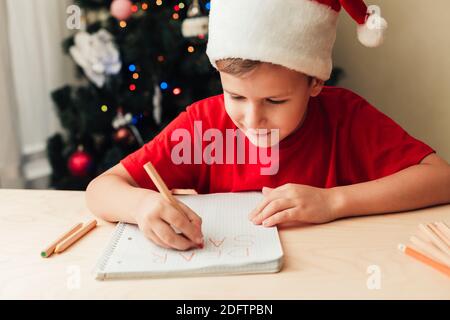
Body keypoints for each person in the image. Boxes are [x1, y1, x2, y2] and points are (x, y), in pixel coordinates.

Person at [86, 0, 450, 251]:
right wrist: (141, 207)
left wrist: (333, 201)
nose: (251, 118)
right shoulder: (204, 125)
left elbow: (440, 178)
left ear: (315, 83)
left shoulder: (344, 117)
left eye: (275, 101)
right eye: (236, 97)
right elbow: (101, 189)